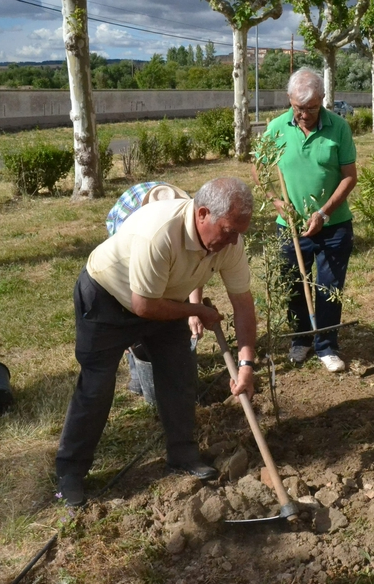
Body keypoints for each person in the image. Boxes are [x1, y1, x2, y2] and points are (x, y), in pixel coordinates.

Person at [56, 178, 258, 507]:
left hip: (166, 299)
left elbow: (243, 305)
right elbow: (144, 307)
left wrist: (247, 364)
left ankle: (182, 454)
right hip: (108, 297)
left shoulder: (229, 241)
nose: (235, 240)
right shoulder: (160, 232)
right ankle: (70, 474)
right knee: (97, 385)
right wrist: (195, 309)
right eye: (229, 231)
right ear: (203, 214)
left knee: (179, 374)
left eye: (239, 232)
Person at [256, 67, 357, 373]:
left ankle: (327, 345)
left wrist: (324, 212)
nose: (303, 115)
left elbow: (349, 177)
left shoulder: (338, 128)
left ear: (323, 100)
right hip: (290, 227)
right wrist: (277, 202)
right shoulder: (275, 128)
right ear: (289, 100)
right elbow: (259, 173)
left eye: (311, 108)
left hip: (334, 225)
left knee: (328, 286)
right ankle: (300, 340)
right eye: (298, 108)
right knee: (294, 283)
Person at [105, 182, 196, 398]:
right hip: (124, 250)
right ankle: (137, 371)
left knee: (168, 297)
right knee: (138, 304)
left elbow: (195, 269)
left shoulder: (188, 216)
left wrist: (193, 310)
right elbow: (129, 287)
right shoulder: (133, 225)